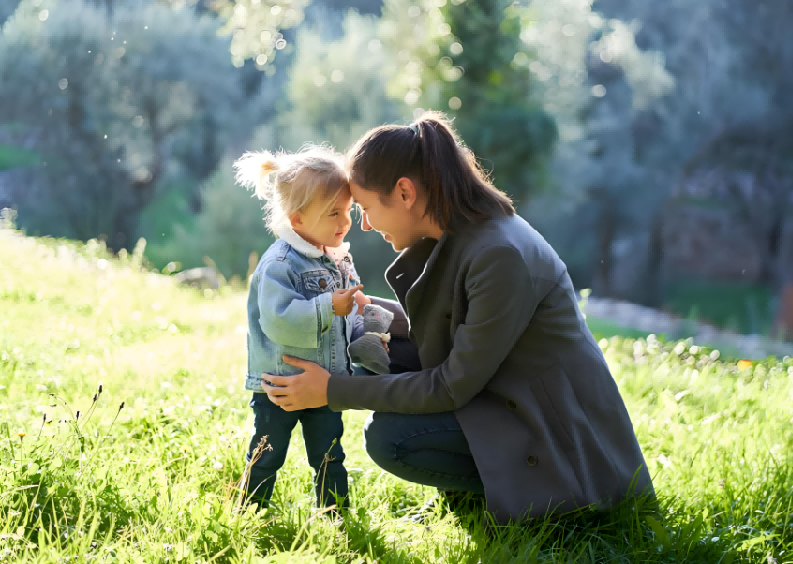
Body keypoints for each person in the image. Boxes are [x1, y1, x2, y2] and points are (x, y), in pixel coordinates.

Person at [259, 112, 654, 523]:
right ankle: (473, 498)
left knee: (392, 437)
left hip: (561, 446)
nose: (366, 224)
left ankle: (527, 503)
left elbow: (450, 386)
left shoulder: (499, 256)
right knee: (378, 350)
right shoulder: (464, 231)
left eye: (366, 208)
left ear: (405, 192)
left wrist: (331, 391)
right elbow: (450, 330)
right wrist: (358, 310)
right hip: (507, 394)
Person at [233, 145, 387, 510]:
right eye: (333, 213)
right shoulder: (280, 264)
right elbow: (279, 321)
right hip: (281, 386)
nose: (344, 221)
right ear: (297, 219)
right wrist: (328, 306)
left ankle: (335, 513)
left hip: (325, 383)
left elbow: (347, 312)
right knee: (267, 453)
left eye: (347, 210)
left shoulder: (338, 257)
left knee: (330, 455)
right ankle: (250, 511)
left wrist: (364, 318)